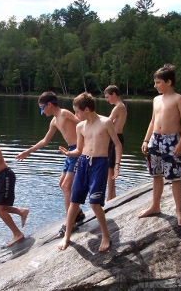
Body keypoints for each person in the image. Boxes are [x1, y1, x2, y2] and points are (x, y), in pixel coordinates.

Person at [57, 92, 122, 252]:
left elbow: (118, 144)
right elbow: (79, 149)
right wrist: (68, 153)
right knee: (74, 201)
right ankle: (67, 235)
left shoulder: (105, 122)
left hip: (99, 164)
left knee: (94, 203)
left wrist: (117, 165)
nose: (75, 115)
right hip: (84, 163)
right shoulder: (80, 126)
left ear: (87, 109)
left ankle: (106, 235)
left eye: (77, 111)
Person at [15, 91, 84, 237]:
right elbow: (45, 140)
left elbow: (83, 123)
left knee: (66, 186)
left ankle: (69, 222)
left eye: (42, 108)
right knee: (61, 183)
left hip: (78, 151)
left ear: (50, 104)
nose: (42, 111)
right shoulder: (54, 121)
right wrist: (28, 151)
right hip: (69, 151)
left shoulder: (64, 113)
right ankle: (77, 213)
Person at [139, 64, 181, 227]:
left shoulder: (178, 98)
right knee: (156, 175)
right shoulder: (156, 99)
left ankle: (179, 211)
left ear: (169, 82)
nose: (155, 86)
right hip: (155, 139)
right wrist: (146, 140)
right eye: (155, 82)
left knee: (175, 177)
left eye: (158, 82)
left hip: (171, 141)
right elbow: (153, 121)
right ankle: (155, 206)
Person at [104, 85, 127, 201]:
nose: (107, 100)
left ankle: (109, 197)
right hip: (116, 137)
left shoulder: (118, 107)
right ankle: (112, 194)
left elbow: (107, 122)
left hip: (115, 138)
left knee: (110, 168)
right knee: (110, 167)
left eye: (108, 97)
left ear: (114, 94)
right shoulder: (121, 106)